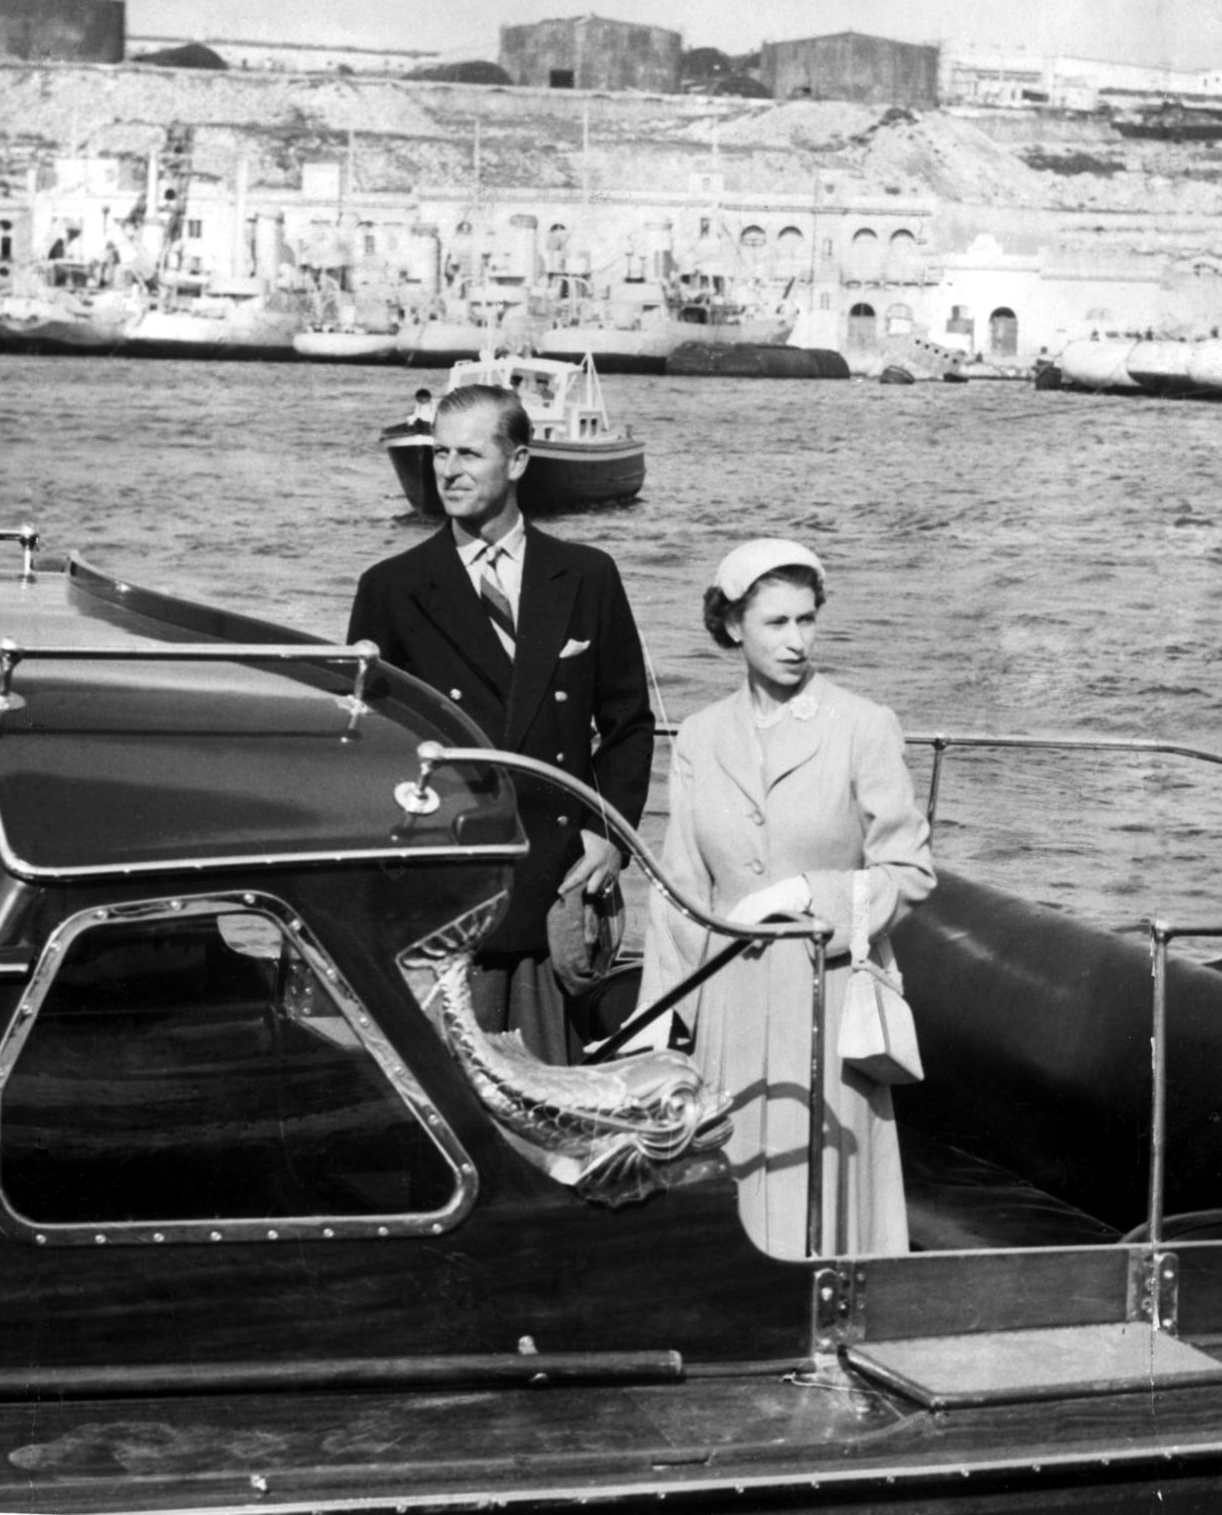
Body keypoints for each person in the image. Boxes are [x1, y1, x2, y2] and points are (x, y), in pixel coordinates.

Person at [634, 538, 935, 1261]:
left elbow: (911, 871)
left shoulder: (863, 726)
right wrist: (656, 1019)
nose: (797, 641)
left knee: (822, 1201)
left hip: (826, 1005)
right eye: (776, 623)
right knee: (737, 1183)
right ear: (733, 626)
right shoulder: (701, 737)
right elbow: (680, 892)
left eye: (807, 619)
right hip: (729, 1007)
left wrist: (813, 893)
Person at [347, 383, 654, 1065]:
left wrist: (609, 837)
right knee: (451, 1100)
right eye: (439, 454)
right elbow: (371, 752)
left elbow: (629, 722)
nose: (449, 470)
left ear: (516, 460)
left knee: (554, 1107)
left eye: (469, 453)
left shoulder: (586, 577)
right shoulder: (391, 590)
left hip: (557, 894)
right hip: (448, 893)